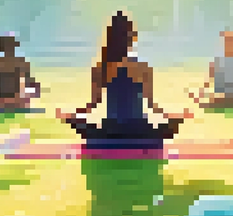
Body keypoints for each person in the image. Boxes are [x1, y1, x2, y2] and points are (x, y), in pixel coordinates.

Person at [57, 11, 192, 146]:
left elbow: (93, 104)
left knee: (89, 128)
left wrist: (73, 115)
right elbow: (151, 105)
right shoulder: (142, 66)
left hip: (111, 129)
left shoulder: (100, 68)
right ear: (132, 37)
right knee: (164, 129)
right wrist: (173, 116)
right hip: (138, 129)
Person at [0, 33, 40, 110]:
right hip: (12, 101)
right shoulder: (20, 62)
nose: (10, 49)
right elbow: (29, 82)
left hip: (7, 101)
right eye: (10, 46)